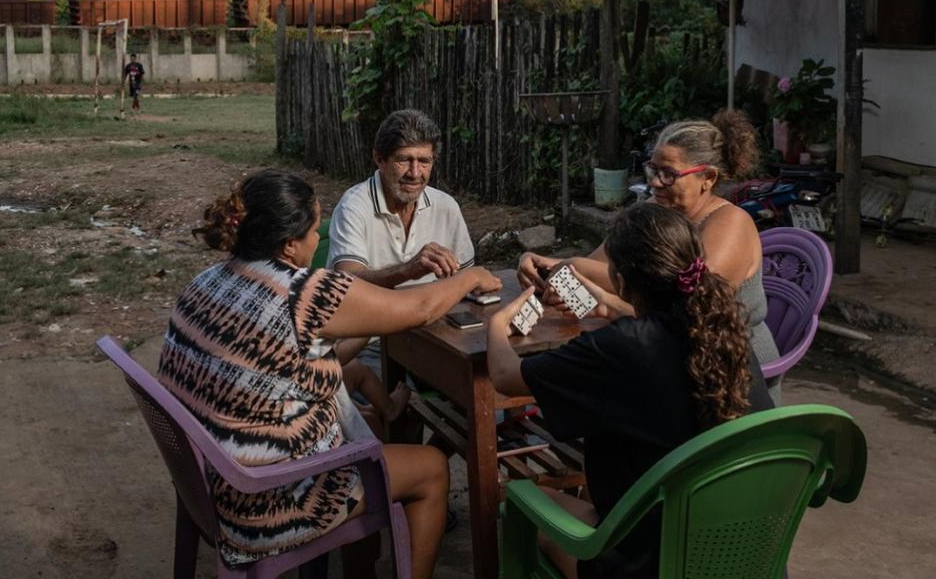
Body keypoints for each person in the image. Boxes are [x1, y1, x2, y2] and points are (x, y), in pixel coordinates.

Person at [157, 169, 501, 578]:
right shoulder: (304, 292)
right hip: (267, 500)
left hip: (213, 479)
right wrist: (470, 277)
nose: (318, 240)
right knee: (429, 467)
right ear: (289, 244)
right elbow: (421, 309)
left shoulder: (208, 281)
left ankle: (362, 569)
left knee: (370, 424)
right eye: (315, 231)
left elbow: (319, 351)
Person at [489, 202, 773, 579]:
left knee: (524, 502)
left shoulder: (620, 348)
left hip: (652, 564)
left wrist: (498, 323)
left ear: (620, 277)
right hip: (740, 551)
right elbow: (662, 331)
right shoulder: (725, 333)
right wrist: (608, 305)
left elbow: (506, 375)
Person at [518, 110, 783, 403]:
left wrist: (597, 292)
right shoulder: (655, 213)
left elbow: (692, 311)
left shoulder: (730, 223)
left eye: (669, 174)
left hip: (732, 369)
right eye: (653, 170)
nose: (655, 183)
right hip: (670, 353)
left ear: (707, 178)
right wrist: (539, 262)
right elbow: (599, 263)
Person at [327, 108, 477, 379]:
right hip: (368, 342)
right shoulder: (354, 207)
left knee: (482, 384)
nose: (415, 173)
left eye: (424, 161)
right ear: (379, 159)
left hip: (435, 336)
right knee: (389, 391)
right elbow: (345, 284)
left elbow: (466, 284)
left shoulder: (445, 207)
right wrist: (408, 270)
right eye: (404, 160)